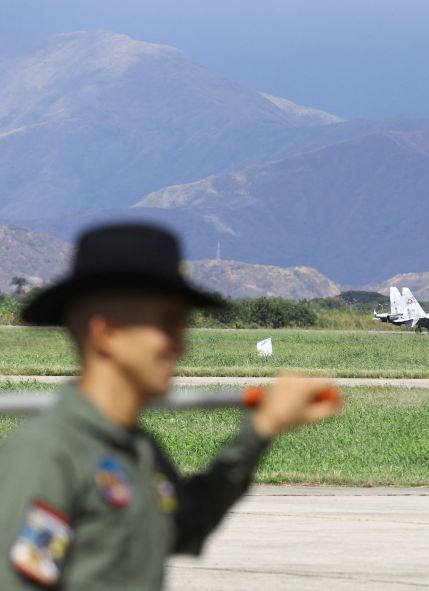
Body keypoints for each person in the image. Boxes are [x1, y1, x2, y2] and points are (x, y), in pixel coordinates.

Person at [0, 223, 342, 590]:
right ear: (107, 334)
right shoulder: (46, 456)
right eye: (167, 324)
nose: (182, 346)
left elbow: (188, 526)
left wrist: (261, 429)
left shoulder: (139, 450)